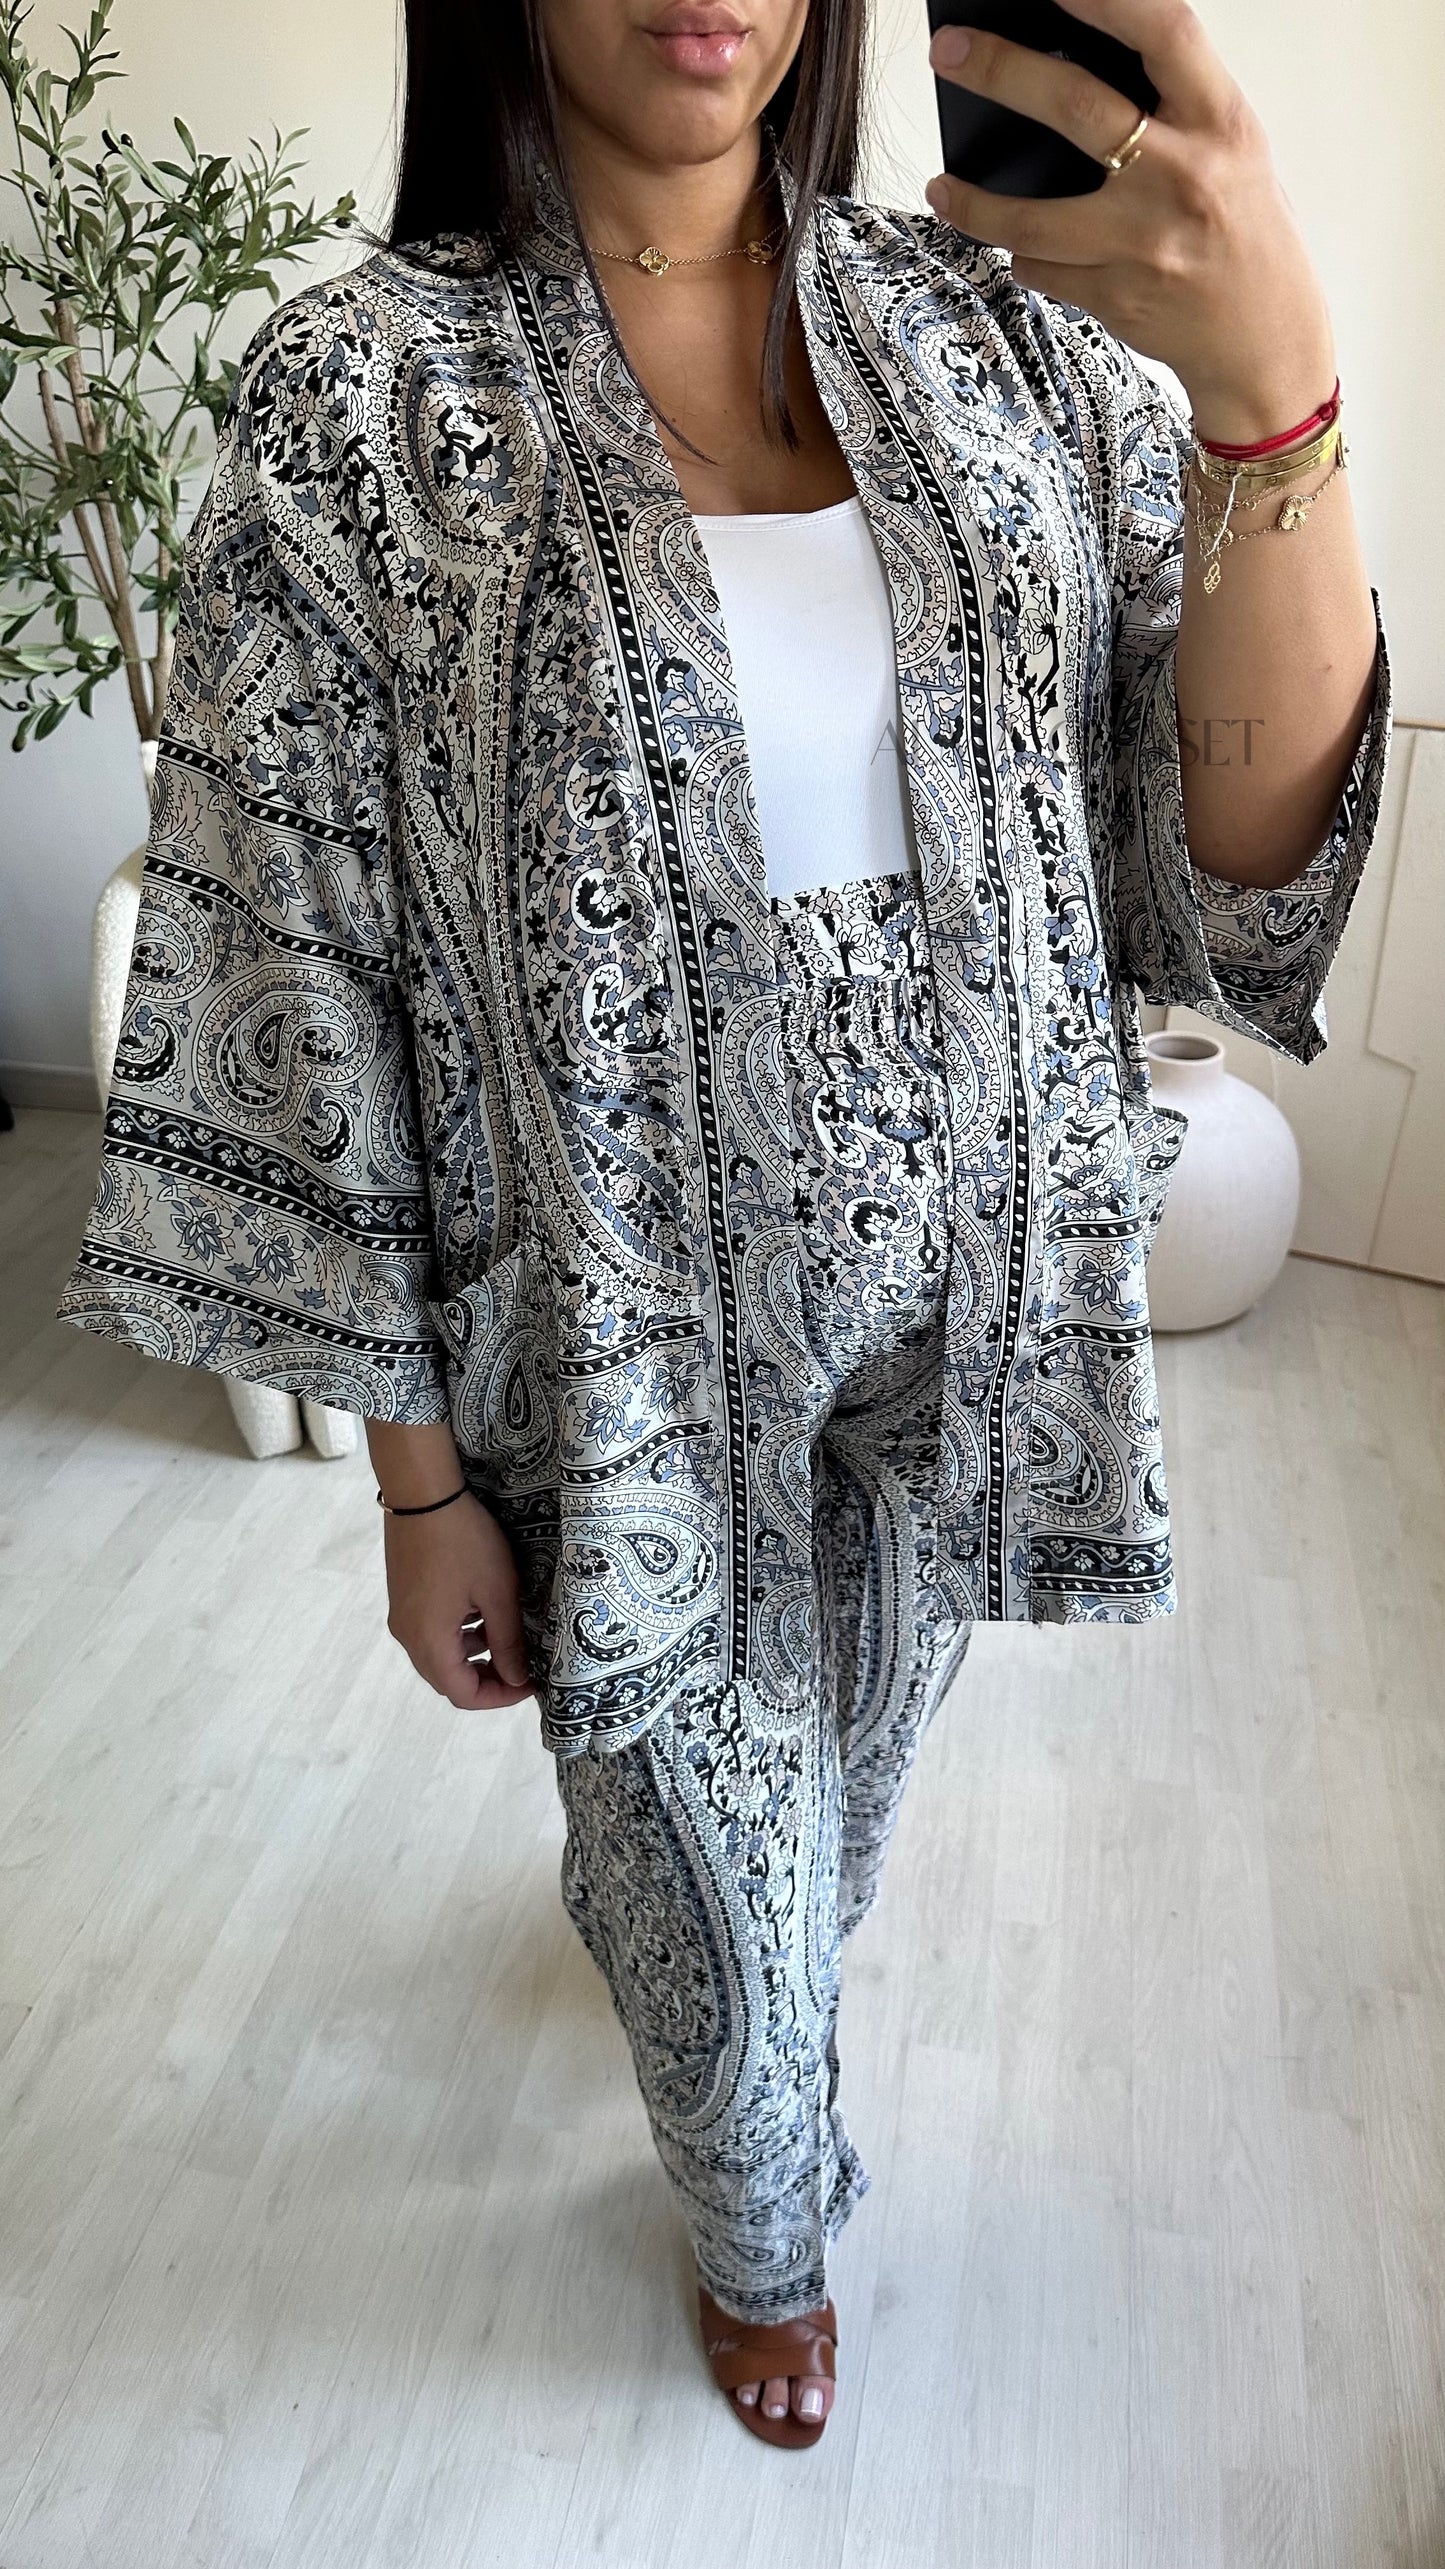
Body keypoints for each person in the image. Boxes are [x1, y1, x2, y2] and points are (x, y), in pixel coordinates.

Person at [57, 0, 1389, 2450]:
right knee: (710, 1878)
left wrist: (1270, 389)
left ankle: (736, 1955)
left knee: (843, 1798)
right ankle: (758, 2220)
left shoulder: (993, 341)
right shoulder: (368, 403)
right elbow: (292, 975)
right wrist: (417, 1486)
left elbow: (1230, 871)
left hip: (964, 1331)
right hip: (614, 1360)